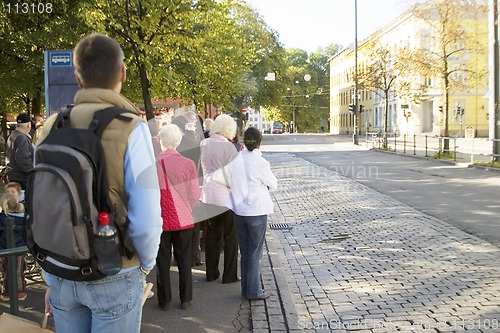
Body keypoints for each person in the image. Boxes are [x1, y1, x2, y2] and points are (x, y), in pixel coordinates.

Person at [36, 33, 162, 333]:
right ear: (123, 73)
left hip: (61, 268)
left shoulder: (52, 125)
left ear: (78, 78)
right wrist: (146, 263)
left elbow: (41, 199)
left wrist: (49, 269)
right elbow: (146, 217)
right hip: (113, 270)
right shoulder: (132, 128)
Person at [225, 127, 277, 300]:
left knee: (245, 253)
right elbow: (273, 183)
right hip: (256, 211)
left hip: (240, 211)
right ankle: (253, 291)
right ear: (259, 142)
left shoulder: (236, 160)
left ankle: (245, 289)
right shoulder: (260, 162)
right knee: (255, 253)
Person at [155, 124, 201, 311]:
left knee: (162, 261)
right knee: (184, 260)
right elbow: (194, 193)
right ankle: (186, 299)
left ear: (161, 140)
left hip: (160, 218)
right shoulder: (188, 164)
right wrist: (186, 207)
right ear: (178, 141)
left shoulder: (153, 163)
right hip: (183, 218)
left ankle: (164, 300)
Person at [200, 114, 239, 284]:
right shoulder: (229, 148)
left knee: (212, 236)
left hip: (208, 194)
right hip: (226, 196)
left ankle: (211, 272)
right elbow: (233, 174)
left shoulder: (204, 143)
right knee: (230, 237)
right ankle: (229, 275)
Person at [171, 114, 204, 266]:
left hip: (178, 185)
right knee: (194, 223)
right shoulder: (194, 140)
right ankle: (195, 256)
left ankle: (181, 257)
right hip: (194, 182)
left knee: (180, 223)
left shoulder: (177, 144)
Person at [0, 192, 27, 302]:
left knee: (5, 270)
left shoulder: (2, 218)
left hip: (4, 247)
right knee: (18, 270)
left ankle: (6, 291)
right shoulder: (23, 217)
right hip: (19, 247)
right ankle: (19, 291)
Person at [5, 113, 34, 190]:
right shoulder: (22, 138)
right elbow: (22, 158)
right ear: (28, 124)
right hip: (21, 178)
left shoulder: (13, 135)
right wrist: (32, 171)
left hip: (13, 175)